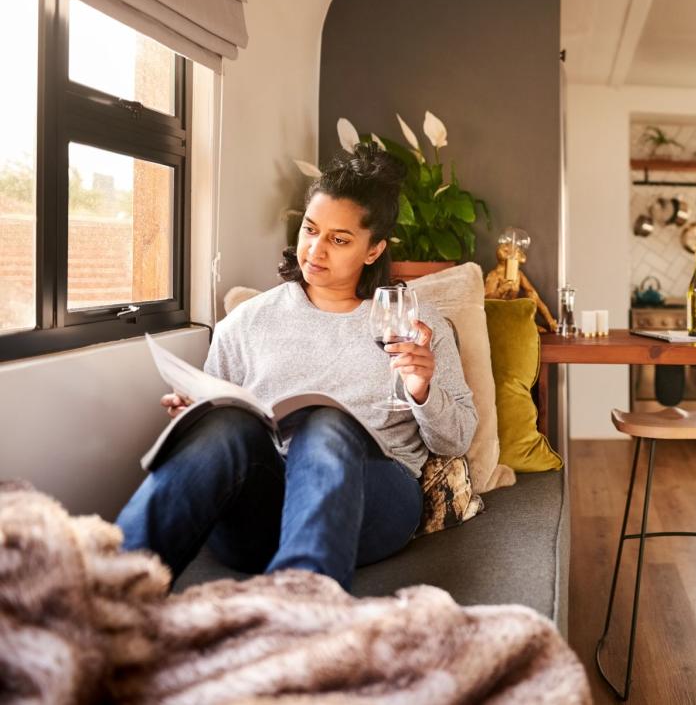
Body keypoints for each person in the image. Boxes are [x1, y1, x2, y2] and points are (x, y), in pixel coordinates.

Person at [117, 147, 477, 589]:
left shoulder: (416, 324)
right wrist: (195, 417)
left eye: (339, 240)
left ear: (374, 249)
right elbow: (217, 420)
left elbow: (456, 436)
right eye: (310, 230)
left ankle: (303, 607)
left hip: (372, 499)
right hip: (260, 510)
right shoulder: (247, 322)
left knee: (324, 424)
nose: (315, 250)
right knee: (226, 425)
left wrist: (422, 389)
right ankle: (114, 589)